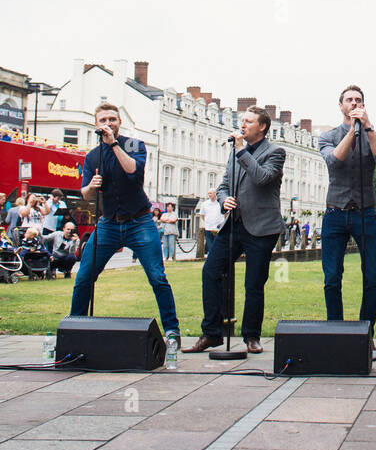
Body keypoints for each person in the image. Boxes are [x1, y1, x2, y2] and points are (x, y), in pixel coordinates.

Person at [69, 103, 180, 344]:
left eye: (113, 119)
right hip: (108, 223)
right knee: (84, 275)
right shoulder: (91, 156)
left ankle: (172, 330)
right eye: (103, 120)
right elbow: (85, 194)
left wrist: (114, 145)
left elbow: (133, 171)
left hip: (139, 220)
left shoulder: (133, 145)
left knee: (157, 276)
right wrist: (91, 186)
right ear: (96, 124)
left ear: (119, 122)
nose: (108, 124)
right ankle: (74, 327)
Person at [187, 107, 285, 355]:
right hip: (235, 224)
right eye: (242, 121)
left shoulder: (275, 152)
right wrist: (222, 200)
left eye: (249, 121)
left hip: (262, 228)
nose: (243, 125)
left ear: (262, 126)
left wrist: (241, 150)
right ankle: (212, 333)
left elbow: (262, 178)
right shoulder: (234, 153)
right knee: (211, 272)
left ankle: (251, 336)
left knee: (253, 283)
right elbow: (224, 185)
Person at [318, 85, 376, 361]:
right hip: (335, 213)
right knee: (331, 277)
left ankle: (367, 334)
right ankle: (335, 332)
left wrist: (368, 128)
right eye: (349, 100)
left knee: (372, 276)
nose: (354, 103)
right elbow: (334, 161)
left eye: (358, 100)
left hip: (364, 212)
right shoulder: (328, 136)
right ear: (341, 106)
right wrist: (352, 130)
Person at [198, 189, 224, 255]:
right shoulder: (205, 204)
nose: (209, 195)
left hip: (218, 228)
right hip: (209, 227)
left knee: (218, 245)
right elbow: (202, 215)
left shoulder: (220, 203)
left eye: (211, 193)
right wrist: (207, 221)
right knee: (210, 245)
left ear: (215, 193)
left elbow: (225, 214)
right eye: (208, 193)